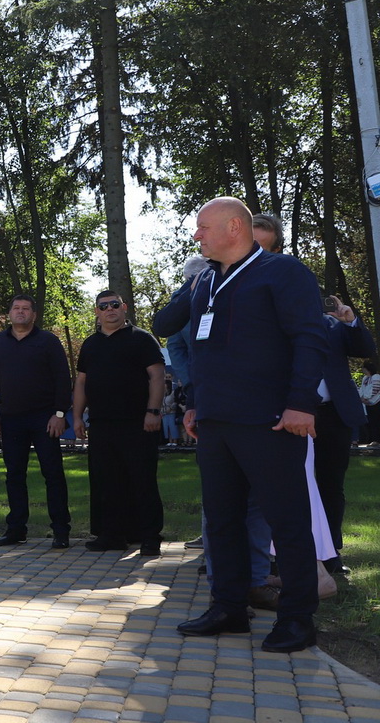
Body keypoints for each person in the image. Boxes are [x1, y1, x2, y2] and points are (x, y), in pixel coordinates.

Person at [154, 196, 327, 653]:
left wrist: (301, 404)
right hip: (214, 421)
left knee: (286, 520)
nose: (196, 235)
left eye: (203, 227)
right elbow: (168, 328)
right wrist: (194, 405)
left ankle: (297, 618)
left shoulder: (282, 272)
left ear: (235, 228)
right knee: (223, 520)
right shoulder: (206, 280)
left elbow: (310, 338)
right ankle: (229, 607)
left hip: (270, 420)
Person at [72, 290, 166, 555]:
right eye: (103, 306)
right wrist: (77, 417)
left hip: (138, 422)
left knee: (143, 480)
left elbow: (157, 377)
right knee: (107, 482)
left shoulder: (143, 339)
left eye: (115, 305)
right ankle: (112, 535)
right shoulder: (90, 344)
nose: (109, 309)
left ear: (124, 307)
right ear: (96, 312)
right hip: (101, 424)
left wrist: (153, 410)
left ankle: (149, 537)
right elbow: (81, 382)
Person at [0, 295, 73, 549]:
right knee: (14, 476)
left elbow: (64, 379)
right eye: (16, 308)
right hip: (10, 419)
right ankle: (16, 529)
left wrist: (60, 414)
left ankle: (61, 530)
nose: (20, 312)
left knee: (53, 474)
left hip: (46, 418)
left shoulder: (48, 341)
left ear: (34, 314)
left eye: (26, 309)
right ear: (9, 313)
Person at [313, 295, 375, 574]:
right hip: (293, 413)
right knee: (292, 487)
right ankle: (289, 553)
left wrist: (350, 321)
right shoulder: (277, 326)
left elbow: (365, 349)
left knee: (331, 485)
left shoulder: (334, 326)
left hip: (333, 415)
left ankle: (331, 553)